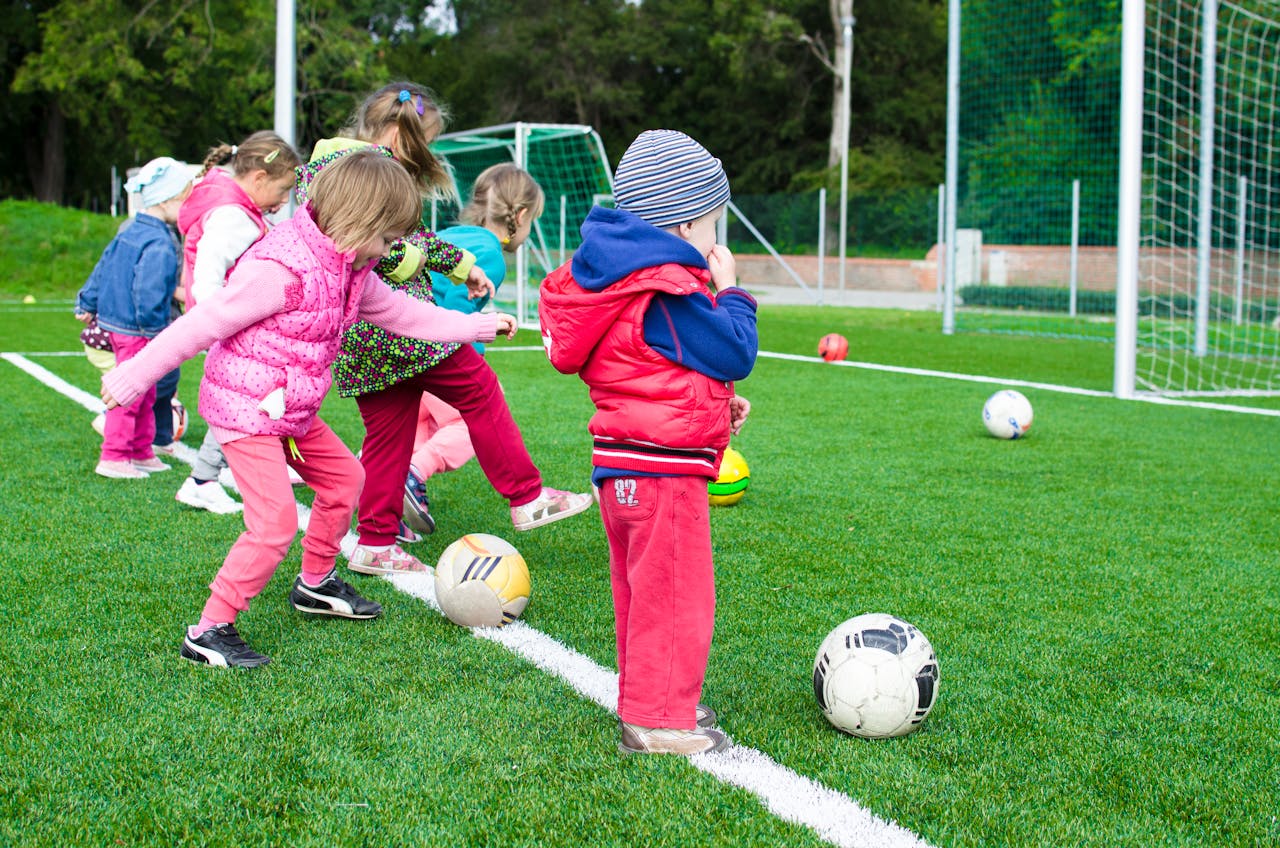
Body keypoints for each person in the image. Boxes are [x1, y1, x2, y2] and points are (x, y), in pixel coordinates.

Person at [99, 150, 518, 669]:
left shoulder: (351, 265)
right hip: (246, 410)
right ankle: (208, 630)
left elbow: (401, 313)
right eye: (388, 239)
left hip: (290, 410)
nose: (393, 251)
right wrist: (133, 376)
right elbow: (202, 324)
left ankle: (315, 584)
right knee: (274, 523)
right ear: (359, 221)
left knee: (347, 480)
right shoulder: (280, 269)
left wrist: (476, 326)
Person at [296, 82, 590, 576]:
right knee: (479, 389)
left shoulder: (331, 165)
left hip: (361, 338)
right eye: (422, 142)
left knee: (390, 435)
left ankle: (374, 542)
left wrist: (462, 267)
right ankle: (526, 496)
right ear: (396, 132)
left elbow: (412, 236)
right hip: (398, 326)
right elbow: (380, 248)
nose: (424, 154)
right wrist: (424, 269)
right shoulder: (361, 171)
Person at [538, 130, 759, 755]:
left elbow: (651, 369)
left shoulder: (622, 281)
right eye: (715, 222)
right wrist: (732, 290)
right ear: (686, 222)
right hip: (661, 475)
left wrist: (716, 408)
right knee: (675, 595)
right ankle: (658, 720)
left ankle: (651, 697)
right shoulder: (667, 289)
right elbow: (734, 349)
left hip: (626, 467)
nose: (718, 239)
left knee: (643, 593)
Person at [400, 163, 548, 539]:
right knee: (469, 422)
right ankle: (413, 474)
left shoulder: (452, 234)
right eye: (533, 221)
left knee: (414, 426)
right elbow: (454, 307)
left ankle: (391, 506)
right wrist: (476, 344)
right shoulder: (491, 255)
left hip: (397, 346)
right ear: (521, 215)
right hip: (432, 350)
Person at [172, 131, 303, 515]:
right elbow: (208, 278)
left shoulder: (237, 208)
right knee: (243, 401)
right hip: (231, 327)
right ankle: (202, 479)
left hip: (234, 324)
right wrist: (223, 323)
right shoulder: (233, 217)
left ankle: (223, 472)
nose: (283, 203)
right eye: (282, 191)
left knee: (254, 397)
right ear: (259, 179)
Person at [76, 157, 193, 479]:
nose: (188, 207)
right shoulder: (159, 241)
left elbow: (103, 265)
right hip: (138, 329)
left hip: (122, 323)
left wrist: (87, 300)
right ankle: (114, 456)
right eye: (186, 199)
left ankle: (141, 451)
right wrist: (156, 332)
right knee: (130, 392)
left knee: (147, 390)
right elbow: (149, 290)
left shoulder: (131, 229)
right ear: (168, 200)